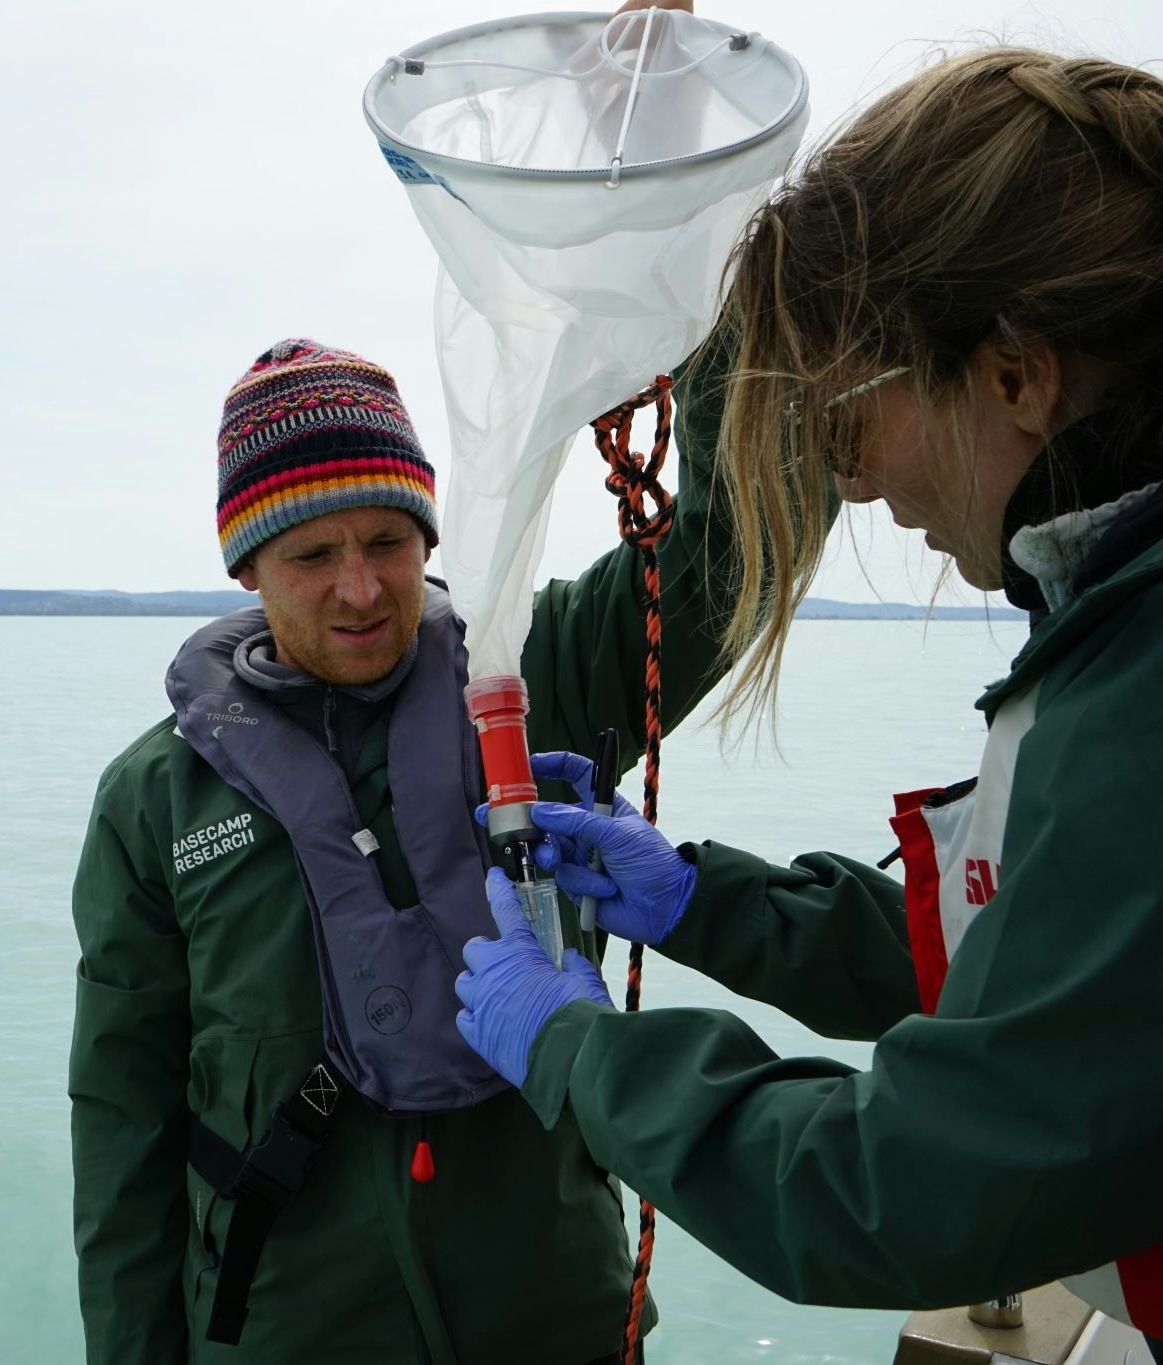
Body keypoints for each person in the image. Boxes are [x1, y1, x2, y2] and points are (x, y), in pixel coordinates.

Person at [451, 48, 1163, 1365]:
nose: (856, 487)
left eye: (847, 422)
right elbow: (1074, 964)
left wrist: (581, 1052)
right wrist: (705, 901)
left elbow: (921, 1187)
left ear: (1014, 376)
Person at [67, 333, 743, 1364]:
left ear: (430, 537)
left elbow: (723, 557)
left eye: (387, 540)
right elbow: (122, 1116)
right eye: (309, 555)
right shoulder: (152, 799)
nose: (358, 589)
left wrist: (701, 328)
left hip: (552, 1314)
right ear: (247, 564)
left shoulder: (528, 674)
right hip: (287, 1333)